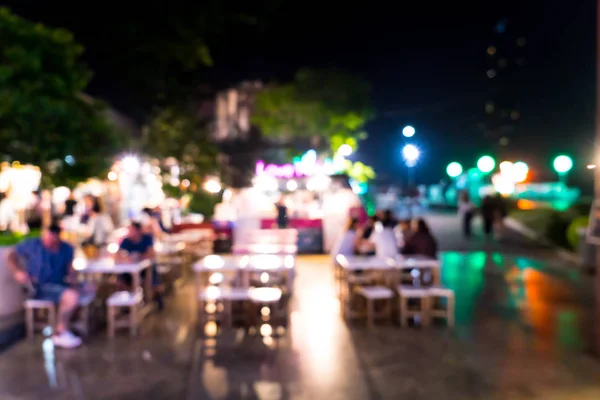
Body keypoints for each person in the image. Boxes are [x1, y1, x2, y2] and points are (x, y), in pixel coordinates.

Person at [7, 224, 82, 348]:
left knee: (78, 293)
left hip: (59, 285)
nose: (48, 242)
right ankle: (60, 332)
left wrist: (76, 284)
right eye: (46, 238)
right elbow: (10, 254)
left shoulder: (66, 248)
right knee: (71, 296)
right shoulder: (33, 244)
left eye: (52, 239)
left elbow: (70, 270)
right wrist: (17, 271)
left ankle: (68, 326)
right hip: (38, 286)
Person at [116, 222, 163, 309]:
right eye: (129, 230)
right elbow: (117, 255)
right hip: (131, 270)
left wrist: (138, 257)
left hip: (146, 268)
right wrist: (127, 259)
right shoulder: (126, 241)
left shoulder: (147, 238)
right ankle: (127, 305)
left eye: (131, 230)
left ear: (138, 231)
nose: (129, 232)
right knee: (120, 281)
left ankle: (156, 297)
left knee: (153, 276)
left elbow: (151, 253)